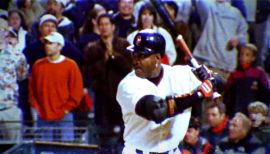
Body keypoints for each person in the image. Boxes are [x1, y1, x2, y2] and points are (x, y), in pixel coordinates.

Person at [116, 29, 224, 153]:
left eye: (142, 55)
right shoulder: (127, 85)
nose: (135, 60)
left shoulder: (180, 74)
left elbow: (222, 84)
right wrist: (199, 94)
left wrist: (211, 78)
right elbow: (158, 112)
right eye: (134, 54)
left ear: (157, 58)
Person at [83, 13, 132, 152]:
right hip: (102, 98)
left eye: (106, 24)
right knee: (103, 135)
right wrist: (104, 60)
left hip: (122, 97)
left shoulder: (124, 45)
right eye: (101, 25)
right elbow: (89, 72)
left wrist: (113, 56)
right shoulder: (92, 48)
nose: (104, 27)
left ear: (113, 26)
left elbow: (129, 68)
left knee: (124, 134)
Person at [28, 31, 83, 142]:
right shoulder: (37, 65)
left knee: (65, 149)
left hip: (64, 116)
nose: (47, 46)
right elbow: (31, 90)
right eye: (46, 43)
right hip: (43, 116)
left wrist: (66, 109)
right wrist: (37, 108)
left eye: (51, 43)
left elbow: (77, 92)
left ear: (60, 46)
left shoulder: (70, 66)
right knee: (44, 149)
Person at [192, 0, 249, 78]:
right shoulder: (208, 7)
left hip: (227, 68)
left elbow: (245, 36)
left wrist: (238, 39)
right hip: (207, 63)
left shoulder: (236, 13)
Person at [0, 18, 28, 142]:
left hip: (9, 108)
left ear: (5, 33)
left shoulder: (17, 55)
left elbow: (22, 76)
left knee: (14, 147)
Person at [223, 43, 270, 117]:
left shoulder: (259, 73)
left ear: (253, 58)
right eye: (241, 54)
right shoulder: (234, 74)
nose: (243, 57)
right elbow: (227, 95)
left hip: (254, 112)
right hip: (236, 111)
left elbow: (266, 93)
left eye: (247, 55)